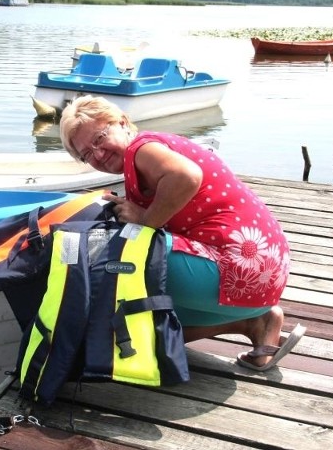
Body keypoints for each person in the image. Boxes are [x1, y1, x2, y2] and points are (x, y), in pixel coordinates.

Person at [59, 95, 305, 371]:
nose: (99, 154)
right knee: (139, 324)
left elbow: (186, 176)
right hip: (264, 270)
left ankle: (253, 320)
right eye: (87, 154)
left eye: (100, 138)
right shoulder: (151, 148)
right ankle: (254, 323)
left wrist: (145, 220)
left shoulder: (142, 149)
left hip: (241, 266)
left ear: (123, 123)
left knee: (115, 264)